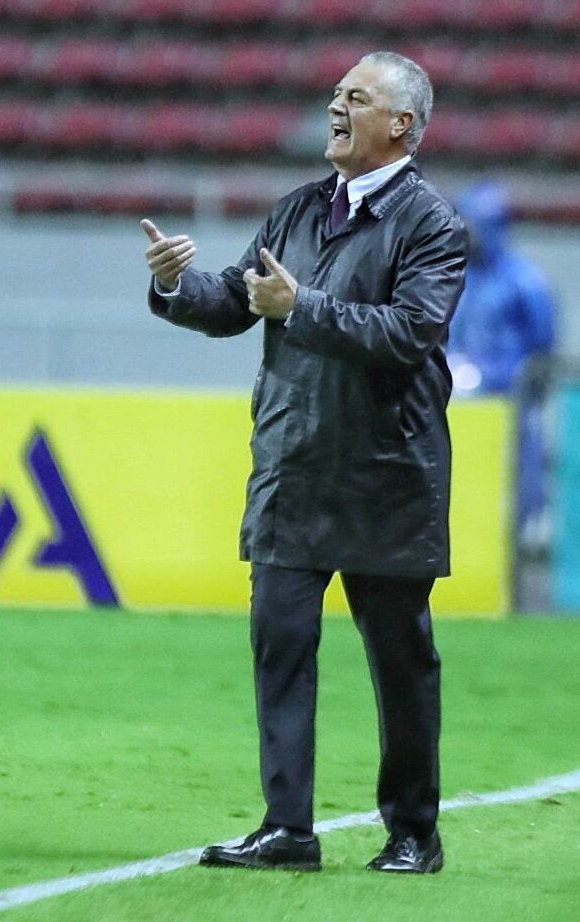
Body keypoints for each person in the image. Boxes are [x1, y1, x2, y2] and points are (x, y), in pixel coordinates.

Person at [140, 51, 467, 875]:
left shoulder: (432, 224)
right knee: (279, 645)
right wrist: (178, 287)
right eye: (334, 93)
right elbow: (232, 302)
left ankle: (413, 831)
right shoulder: (295, 211)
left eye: (354, 96)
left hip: (386, 474)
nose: (335, 105)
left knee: (399, 660)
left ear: (400, 124)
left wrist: (303, 308)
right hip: (293, 464)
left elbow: (408, 333)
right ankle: (287, 827)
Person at [446, 183, 556, 549]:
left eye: (471, 224)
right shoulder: (458, 277)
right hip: (461, 401)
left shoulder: (525, 281)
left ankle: (521, 543)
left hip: (509, 400)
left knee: (516, 474)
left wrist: (508, 380)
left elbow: (542, 348)